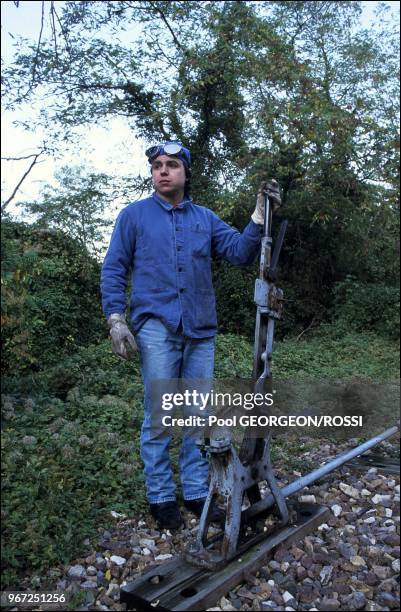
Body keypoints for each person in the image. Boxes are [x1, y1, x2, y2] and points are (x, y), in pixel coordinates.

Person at [100, 141, 281, 530]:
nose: (163, 171)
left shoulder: (204, 219)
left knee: (199, 415)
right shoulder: (133, 217)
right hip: (156, 329)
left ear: (185, 172)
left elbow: (238, 252)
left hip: (200, 330)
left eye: (171, 165)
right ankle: (162, 496)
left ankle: (197, 492)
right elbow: (114, 267)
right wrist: (116, 319)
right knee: (161, 415)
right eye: (157, 166)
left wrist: (258, 216)